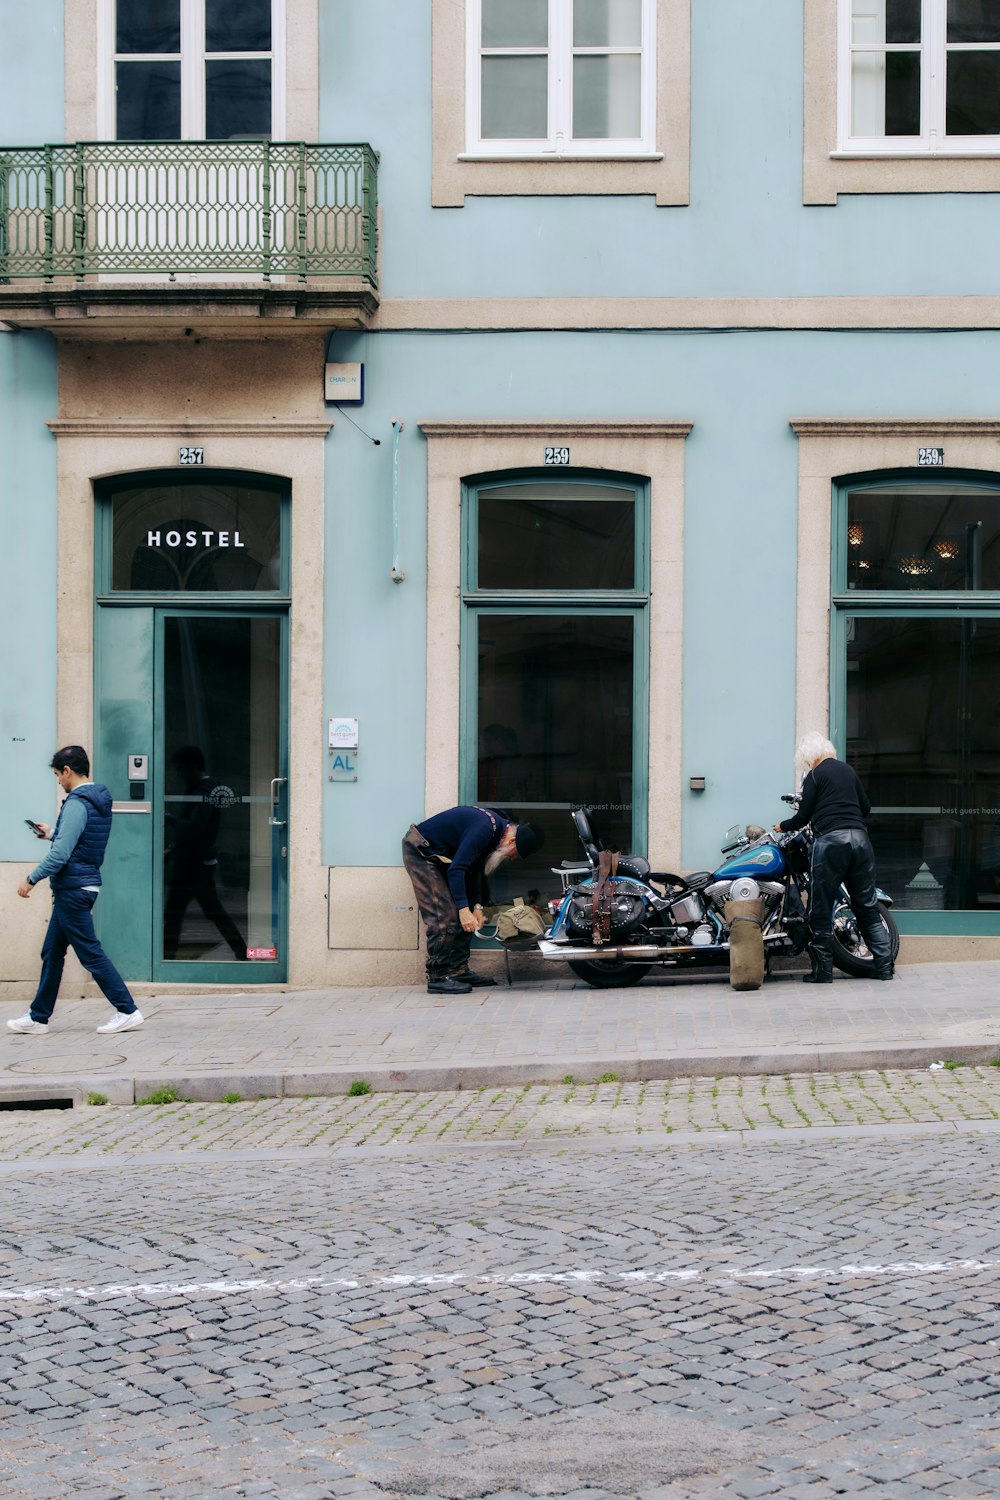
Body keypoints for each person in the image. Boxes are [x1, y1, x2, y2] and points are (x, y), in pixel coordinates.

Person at [10, 746, 143, 1034]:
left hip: (73, 888)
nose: (58, 780)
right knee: (52, 952)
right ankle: (38, 1017)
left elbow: (61, 855)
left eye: (58, 775)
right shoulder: (95, 800)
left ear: (68, 771)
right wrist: (51, 834)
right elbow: (75, 841)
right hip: (80, 885)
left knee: (89, 952)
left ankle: (127, 1009)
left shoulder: (76, 802)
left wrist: (31, 879)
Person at [775, 732, 894, 984]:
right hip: (860, 842)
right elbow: (866, 808)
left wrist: (782, 827)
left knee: (821, 906)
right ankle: (884, 967)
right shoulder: (848, 771)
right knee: (866, 904)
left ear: (809, 757)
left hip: (830, 843)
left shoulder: (814, 776)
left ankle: (822, 972)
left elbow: (803, 817)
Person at [402, 805, 540, 994]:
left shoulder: (495, 832)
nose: (511, 859)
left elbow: (473, 870)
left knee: (468, 916)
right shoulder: (485, 829)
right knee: (445, 915)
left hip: (440, 855)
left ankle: (458, 971)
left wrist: (476, 906)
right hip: (421, 851)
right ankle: (437, 977)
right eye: (514, 854)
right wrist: (462, 909)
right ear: (512, 841)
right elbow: (457, 869)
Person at [163, 746, 247, 962]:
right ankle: (240, 952)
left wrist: (168, 817)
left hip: (193, 863)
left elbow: (194, 827)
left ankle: (167, 959)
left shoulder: (203, 792)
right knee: (202, 911)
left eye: (181, 770)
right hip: (195, 861)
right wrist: (173, 847)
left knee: (177, 913)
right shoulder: (206, 789)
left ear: (193, 768)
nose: (180, 775)